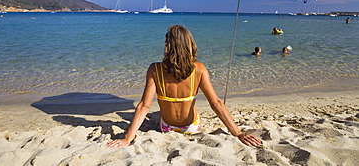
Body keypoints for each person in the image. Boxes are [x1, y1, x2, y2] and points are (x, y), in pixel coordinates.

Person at [107, 25, 261, 148]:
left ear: (167, 45)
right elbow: (216, 103)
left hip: (166, 127)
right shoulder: (199, 69)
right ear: (190, 45)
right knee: (192, 105)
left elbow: (144, 106)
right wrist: (238, 133)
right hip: (192, 127)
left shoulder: (155, 69)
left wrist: (128, 138)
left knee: (155, 111)